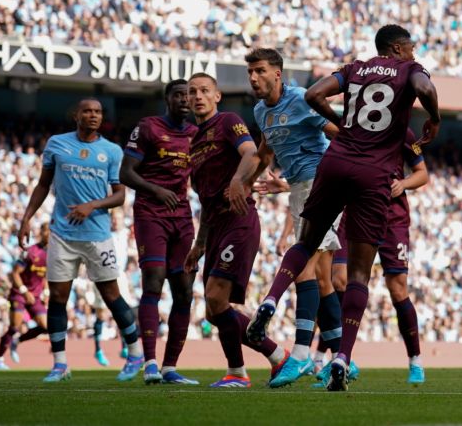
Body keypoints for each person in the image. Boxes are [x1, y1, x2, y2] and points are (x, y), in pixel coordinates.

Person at [246, 24, 441, 392]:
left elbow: (315, 95)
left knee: (306, 245)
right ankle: (341, 357)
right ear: (399, 49)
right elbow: (424, 88)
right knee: (357, 277)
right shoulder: (409, 69)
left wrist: (343, 125)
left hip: (336, 161)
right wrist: (435, 116)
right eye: (411, 48)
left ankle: (272, 299)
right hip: (373, 173)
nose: (414, 53)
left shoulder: (355, 67)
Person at [16, 98, 143, 383]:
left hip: (97, 236)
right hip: (62, 234)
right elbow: (42, 184)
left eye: (98, 111)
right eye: (88, 111)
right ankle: (60, 365)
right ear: (76, 115)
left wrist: (92, 206)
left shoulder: (111, 151)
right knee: (58, 298)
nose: (94, 115)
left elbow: (120, 195)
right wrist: (26, 218)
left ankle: (135, 354)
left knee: (111, 296)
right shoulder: (57, 144)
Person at [242, 48, 342, 388]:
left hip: (320, 183)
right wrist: (247, 182)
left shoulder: (301, 99)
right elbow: (265, 152)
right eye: (250, 72)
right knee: (323, 279)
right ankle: (344, 357)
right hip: (300, 186)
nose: (253, 77)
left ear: (277, 74)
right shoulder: (260, 111)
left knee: (305, 267)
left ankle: (299, 354)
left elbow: (339, 132)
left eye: (259, 71)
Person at [181, 73, 288, 388]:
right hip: (215, 228)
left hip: (239, 219)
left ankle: (238, 373)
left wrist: (237, 181)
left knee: (216, 298)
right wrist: (199, 245)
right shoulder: (194, 146)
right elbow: (205, 201)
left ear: (216, 96)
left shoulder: (227, 121)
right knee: (215, 312)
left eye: (204, 91)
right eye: (192, 92)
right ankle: (277, 355)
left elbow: (250, 153)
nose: (197, 96)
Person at [321, 128, 429, 386]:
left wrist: (402, 184)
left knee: (397, 289)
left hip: (393, 218)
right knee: (338, 279)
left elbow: (422, 173)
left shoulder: (404, 132)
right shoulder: (355, 122)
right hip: (354, 210)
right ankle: (341, 357)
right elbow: (326, 125)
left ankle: (415, 359)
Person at [120, 79, 200, 385]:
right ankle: (150, 362)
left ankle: (170, 367)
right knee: (153, 281)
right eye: (178, 95)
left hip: (182, 218)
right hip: (150, 214)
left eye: (188, 96)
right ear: (168, 100)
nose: (184, 100)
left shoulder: (196, 135)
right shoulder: (149, 127)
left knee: (184, 291)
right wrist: (156, 190)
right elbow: (125, 173)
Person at [0, 223, 50, 370]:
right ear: (42, 233)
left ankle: (17, 342)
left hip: (36, 296)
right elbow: (15, 273)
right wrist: (25, 291)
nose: (48, 234)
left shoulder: (53, 254)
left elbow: (44, 276)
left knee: (47, 327)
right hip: (19, 294)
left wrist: (46, 292)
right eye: (46, 231)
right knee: (14, 327)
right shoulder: (30, 252)